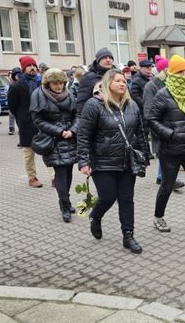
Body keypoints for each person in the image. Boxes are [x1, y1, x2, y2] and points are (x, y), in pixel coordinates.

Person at [78, 69, 148, 254]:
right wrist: (83, 161)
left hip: (127, 161)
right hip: (102, 160)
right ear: (108, 83)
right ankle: (96, 216)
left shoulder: (131, 105)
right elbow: (84, 135)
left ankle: (128, 235)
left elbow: (140, 133)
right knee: (108, 196)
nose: (122, 84)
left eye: (124, 81)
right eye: (117, 80)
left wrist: (144, 156)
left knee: (126, 199)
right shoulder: (94, 105)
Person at [146, 55, 185, 237]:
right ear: (171, 73)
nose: (184, 75)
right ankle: (158, 217)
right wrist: (170, 134)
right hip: (171, 150)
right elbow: (151, 119)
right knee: (167, 186)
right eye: (179, 71)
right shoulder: (163, 94)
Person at [30, 68, 79, 223]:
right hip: (53, 138)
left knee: (69, 170)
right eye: (55, 83)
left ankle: (66, 200)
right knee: (60, 172)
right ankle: (64, 205)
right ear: (48, 83)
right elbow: (37, 120)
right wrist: (59, 131)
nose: (58, 86)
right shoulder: (38, 94)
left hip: (70, 137)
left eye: (61, 83)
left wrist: (72, 130)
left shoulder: (70, 93)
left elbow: (77, 115)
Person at [143, 56, 185, 190]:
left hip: (174, 131)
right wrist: (163, 131)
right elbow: (149, 111)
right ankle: (167, 180)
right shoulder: (152, 86)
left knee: (166, 159)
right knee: (164, 156)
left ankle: (162, 177)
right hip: (163, 130)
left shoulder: (172, 83)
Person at [8, 56, 44, 188]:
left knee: (49, 150)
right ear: (24, 69)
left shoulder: (42, 83)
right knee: (29, 154)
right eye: (29, 66)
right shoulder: (17, 85)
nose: (33, 68)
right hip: (26, 123)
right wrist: (22, 117)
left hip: (43, 121)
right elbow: (13, 105)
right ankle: (32, 178)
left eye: (34, 65)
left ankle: (54, 177)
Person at [76, 48, 116, 114]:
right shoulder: (88, 78)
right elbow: (82, 102)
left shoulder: (117, 75)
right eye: (104, 58)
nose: (108, 60)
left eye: (110, 58)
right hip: (97, 116)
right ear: (98, 61)